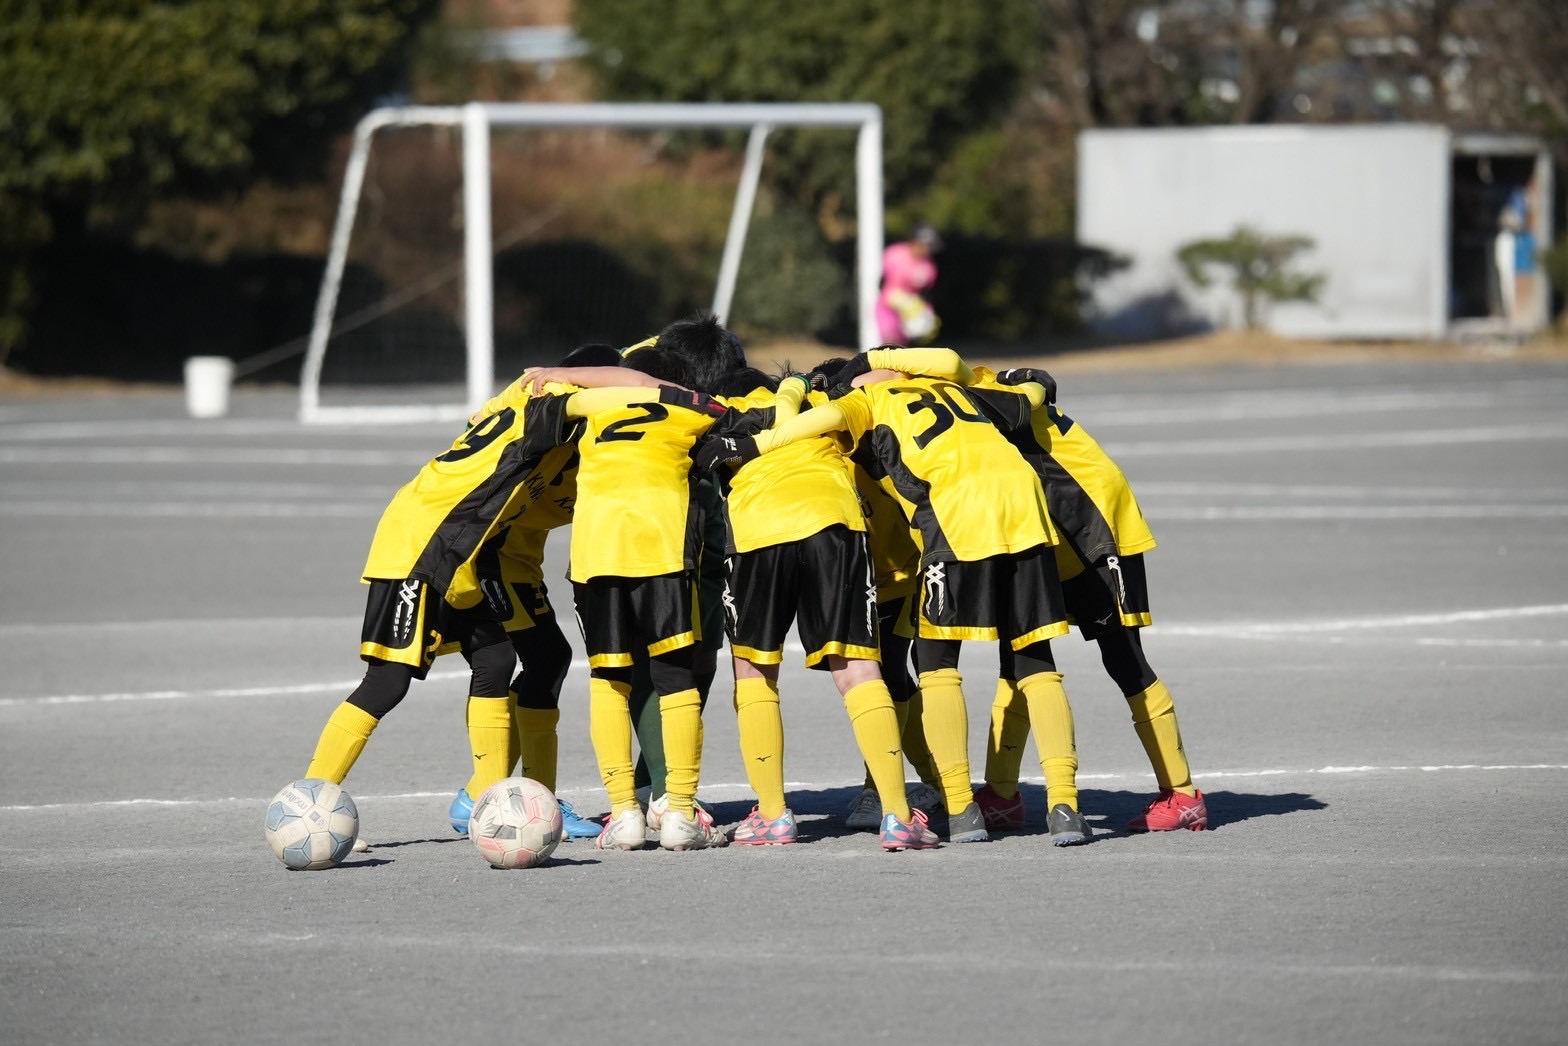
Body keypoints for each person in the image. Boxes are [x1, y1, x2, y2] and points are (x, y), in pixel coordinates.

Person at [695, 348, 1092, 846]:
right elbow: (1011, 391)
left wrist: (750, 446)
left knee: (929, 664)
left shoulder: (860, 403)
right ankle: (1052, 806)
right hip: (1009, 516)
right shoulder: (953, 388)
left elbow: (809, 421)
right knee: (1028, 659)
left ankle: (951, 807)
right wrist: (1030, 381)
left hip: (936, 525)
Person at [701, 366, 939, 850]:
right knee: (857, 669)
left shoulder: (716, 410)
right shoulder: (814, 405)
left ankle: (772, 816)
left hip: (757, 531)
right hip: (834, 522)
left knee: (753, 671)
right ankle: (897, 815)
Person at [975, 365, 1207, 832]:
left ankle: (1182, 794)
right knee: (1018, 654)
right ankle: (1000, 793)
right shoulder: (965, 389)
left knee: (1123, 657)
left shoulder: (974, 396)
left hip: (1092, 524)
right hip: (1045, 532)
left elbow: (1040, 383)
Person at [524, 345, 732, 852]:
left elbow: (615, 382)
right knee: (675, 677)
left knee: (609, 680)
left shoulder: (592, 407)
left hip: (597, 554)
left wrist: (557, 371)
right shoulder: (694, 408)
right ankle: (679, 810)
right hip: (661, 552)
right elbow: (653, 388)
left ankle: (624, 814)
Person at [877, 224, 942, 345]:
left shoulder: (928, 267)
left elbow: (924, 294)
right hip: (887, 307)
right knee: (889, 344)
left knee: (903, 348)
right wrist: (895, 298)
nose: (928, 251)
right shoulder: (893, 254)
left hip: (910, 311)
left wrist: (925, 313)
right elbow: (882, 282)